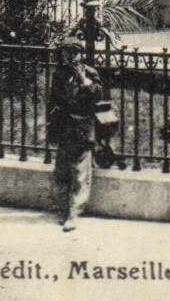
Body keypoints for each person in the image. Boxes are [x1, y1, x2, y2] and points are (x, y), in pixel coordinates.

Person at [46, 36, 100, 232]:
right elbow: (53, 101)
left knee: (80, 171)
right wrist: (51, 124)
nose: (70, 58)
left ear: (81, 54)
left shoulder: (90, 73)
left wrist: (86, 83)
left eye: (74, 53)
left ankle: (74, 212)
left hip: (84, 126)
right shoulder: (59, 75)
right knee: (62, 168)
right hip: (65, 125)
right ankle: (62, 208)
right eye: (66, 54)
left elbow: (99, 96)